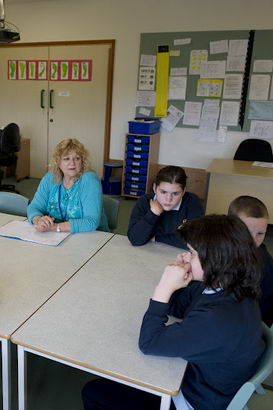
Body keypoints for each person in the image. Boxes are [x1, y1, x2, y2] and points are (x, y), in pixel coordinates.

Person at [82, 215, 265, 410]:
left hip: (192, 400)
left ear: (214, 260)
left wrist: (164, 288)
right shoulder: (230, 285)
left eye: (191, 253)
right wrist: (179, 279)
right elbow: (177, 306)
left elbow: (149, 343)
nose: (185, 257)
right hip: (206, 379)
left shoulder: (215, 320)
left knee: (94, 392)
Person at [27, 138, 108, 233]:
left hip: (91, 235)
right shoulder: (50, 178)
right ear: (58, 162)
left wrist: (55, 227)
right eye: (66, 159)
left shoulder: (90, 180)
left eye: (77, 158)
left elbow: (91, 222)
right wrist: (38, 220)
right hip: (54, 236)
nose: (72, 163)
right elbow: (34, 207)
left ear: (82, 161)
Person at [127, 165, 204, 248]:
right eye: (163, 192)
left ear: (184, 191)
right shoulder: (144, 201)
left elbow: (196, 241)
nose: (168, 199)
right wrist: (153, 214)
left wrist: (157, 237)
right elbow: (135, 239)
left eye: (175, 193)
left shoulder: (192, 202)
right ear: (155, 188)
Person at [228, 195, 273, 327]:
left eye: (260, 233)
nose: (253, 240)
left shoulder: (263, 265)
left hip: (253, 323)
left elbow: (260, 309)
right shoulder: (225, 248)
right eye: (246, 231)